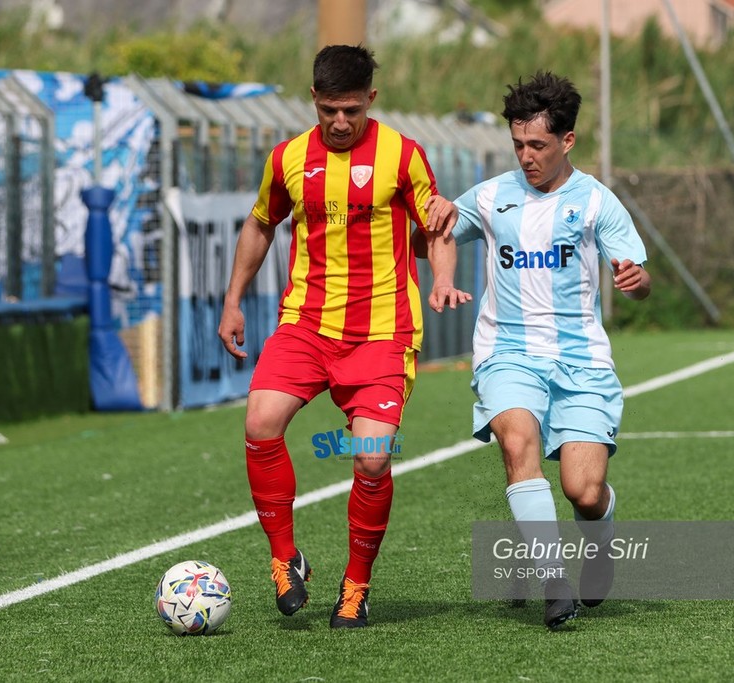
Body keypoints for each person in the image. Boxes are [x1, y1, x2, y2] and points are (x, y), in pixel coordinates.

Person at [217, 44, 470, 629]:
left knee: (373, 459)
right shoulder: (287, 158)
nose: (338, 121)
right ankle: (285, 559)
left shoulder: (403, 155)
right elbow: (260, 224)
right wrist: (233, 301)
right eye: (329, 109)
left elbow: (436, 225)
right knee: (260, 422)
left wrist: (443, 279)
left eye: (351, 110)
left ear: (370, 100)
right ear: (314, 98)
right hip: (306, 322)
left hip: (382, 331)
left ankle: (355, 585)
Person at [425, 70, 651, 630]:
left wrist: (634, 280)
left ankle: (600, 539)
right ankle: (554, 583)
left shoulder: (596, 201)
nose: (526, 156)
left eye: (538, 145)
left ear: (567, 141)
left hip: (582, 363)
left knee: (583, 490)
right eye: (518, 144)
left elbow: (640, 277)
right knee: (517, 442)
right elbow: (440, 230)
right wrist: (442, 270)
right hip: (507, 353)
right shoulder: (492, 196)